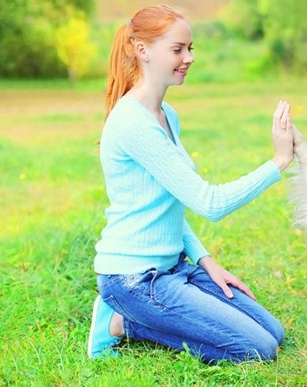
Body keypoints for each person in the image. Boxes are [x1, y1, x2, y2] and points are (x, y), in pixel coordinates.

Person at [87, 4, 294, 363]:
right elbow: (209, 203)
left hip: (174, 267)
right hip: (135, 280)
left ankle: (137, 314)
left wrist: (206, 261)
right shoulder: (132, 123)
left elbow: (167, 204)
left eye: (190, 48)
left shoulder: (167, 115)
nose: (189, 58)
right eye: (178, 49)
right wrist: (278, 162)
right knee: (258, 350)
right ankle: (121, 322)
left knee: (273, 333)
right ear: (143, 51)